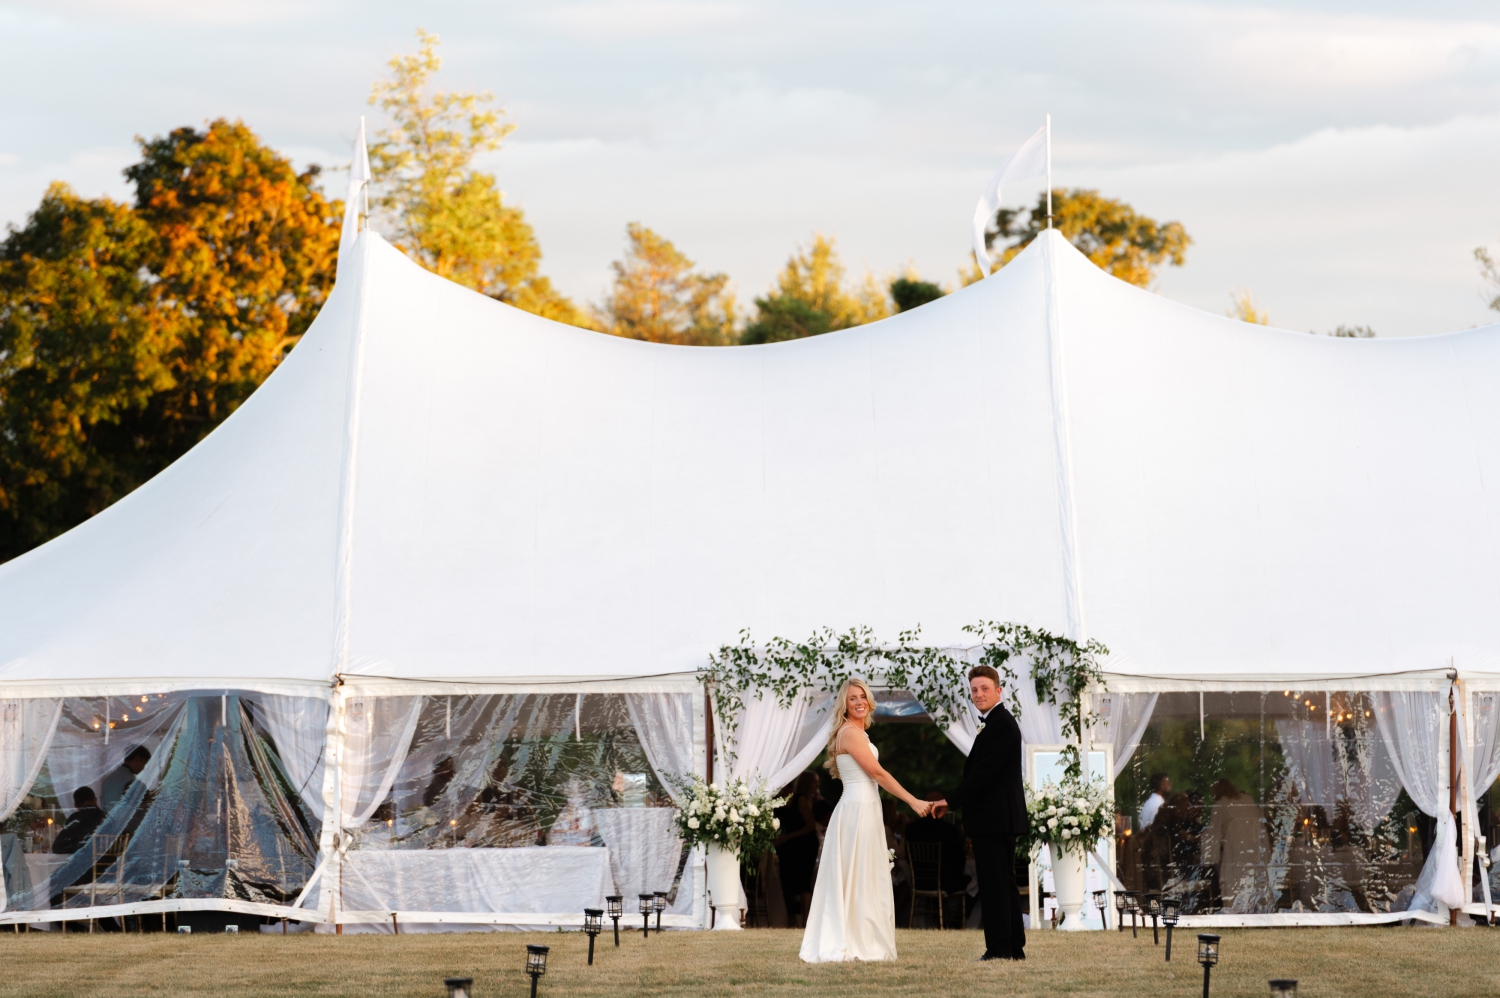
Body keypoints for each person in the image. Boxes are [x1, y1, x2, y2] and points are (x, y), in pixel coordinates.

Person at [799, 678, 932, 963]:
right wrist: (913, 800)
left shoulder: (860, 734)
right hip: (856, 810)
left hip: (865, 808)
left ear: (869, 700)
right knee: (857, 874)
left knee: (866, 875)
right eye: (852, 699)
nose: (859, 702)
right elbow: (877, 773)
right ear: (844, 705)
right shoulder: (849, 733)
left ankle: (865, 937)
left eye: (862, 696)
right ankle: (856, 941)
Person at [932, 665, 1027, 961]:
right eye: (974, 690)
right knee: (1002, 882)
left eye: (985, 688)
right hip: (996, 818)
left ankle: (999, 948)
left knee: (995, 884)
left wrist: (951, 800)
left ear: (999, 691)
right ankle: (1012, 946)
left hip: (995, 819)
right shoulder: (996, 723)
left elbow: (984, 774)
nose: (978, 694)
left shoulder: (1001, 724)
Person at [904, 789, 971, 927]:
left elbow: (906, 856)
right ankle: (957, 922)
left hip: (919, 880)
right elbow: (959, 859)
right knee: (971, 880)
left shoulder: (912, 829)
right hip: (946, 882)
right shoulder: (949, 830)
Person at [774, 772, 821, 927]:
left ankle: (806, 922)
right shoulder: (775, 801)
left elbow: (810, 825)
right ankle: (791, 919)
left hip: (804, 845)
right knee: (786, 882)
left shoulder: (798, 799)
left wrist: (788, 837)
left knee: (803, 882)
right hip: (786, 846)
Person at [51, 787, 106, 855]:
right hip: (108, 863)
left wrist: (78, 846)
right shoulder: (108, 817)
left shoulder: (75, 819)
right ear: (95, 800)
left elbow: (57, 847)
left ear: (76, 806)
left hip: (84, 864)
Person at [99, 746, 151, 811]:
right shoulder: (132, 781)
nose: (143, 768)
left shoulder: (108, 779)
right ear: (138, 759)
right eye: (144, 763)